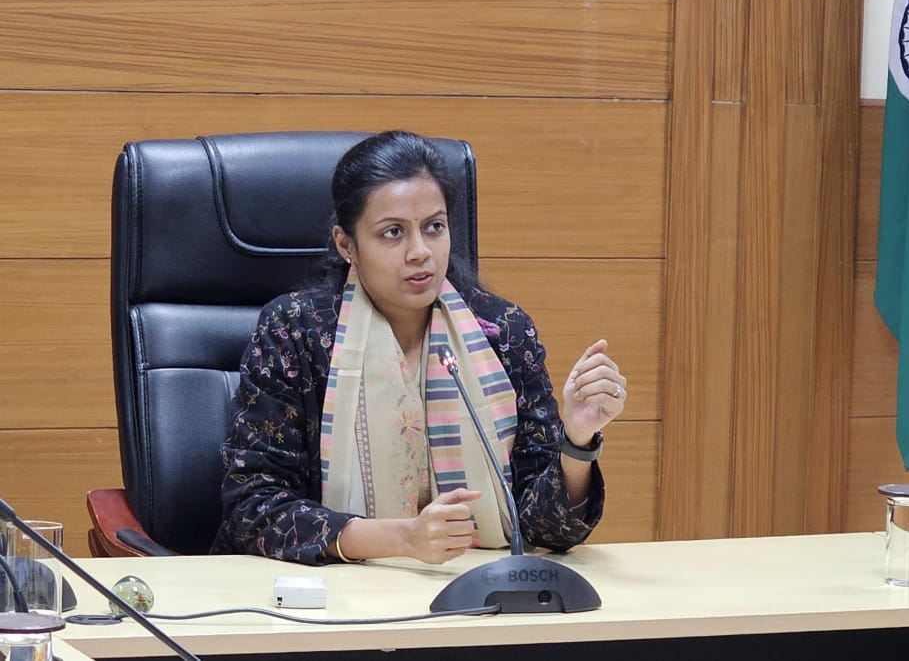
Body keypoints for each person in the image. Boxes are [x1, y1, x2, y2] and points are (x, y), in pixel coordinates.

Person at [212, 131, 628, 565]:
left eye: (434, 227)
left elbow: (544, 528)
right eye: (393, 233)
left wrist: (576, 441)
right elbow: (253, 508)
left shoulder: (503, 333)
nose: (420, 252)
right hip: (326, 589)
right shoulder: (296, 332)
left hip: (471, 585)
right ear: (346, 244)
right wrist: (402, 539)